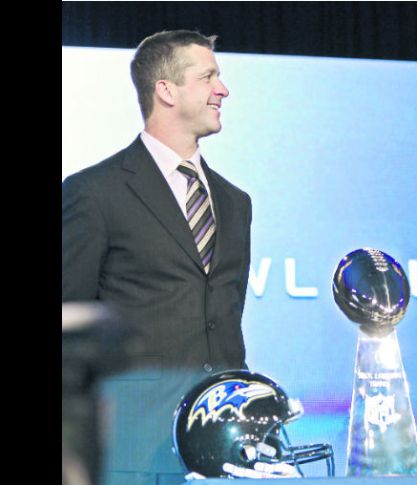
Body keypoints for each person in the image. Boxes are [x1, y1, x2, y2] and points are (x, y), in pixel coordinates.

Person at [62, 30, 252, 485]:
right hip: (131, 451)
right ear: (166, 90)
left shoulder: (235, 202)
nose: (223, 90)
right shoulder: (94, 193)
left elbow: (224, 317)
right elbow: (71, 329)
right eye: (208, 77)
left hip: (225, 450)